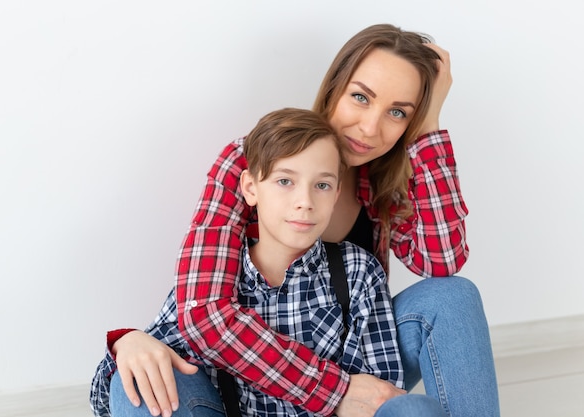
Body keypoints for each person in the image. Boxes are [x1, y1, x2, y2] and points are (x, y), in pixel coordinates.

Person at [91, 23, 500, 417]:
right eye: (360, 97)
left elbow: (442, 262)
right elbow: (203, 312)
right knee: (142, 387)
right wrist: (332, 392)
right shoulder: (255, 158)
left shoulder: (384, 184)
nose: (370, 127)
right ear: (335, 87)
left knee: (453, 296)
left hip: (347, 363)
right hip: (242, 379)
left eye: (398, 112)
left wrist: (428, 129)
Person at [96, 107, 449, 417]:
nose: (304, 202)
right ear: (250, 188)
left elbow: (378, 397)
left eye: (322, 186)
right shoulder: (212, 283)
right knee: (140, 379)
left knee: (413, 408)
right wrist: (128, 343)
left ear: (337, 193)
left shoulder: (358, 273)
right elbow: (104, 398)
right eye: (284, 181)